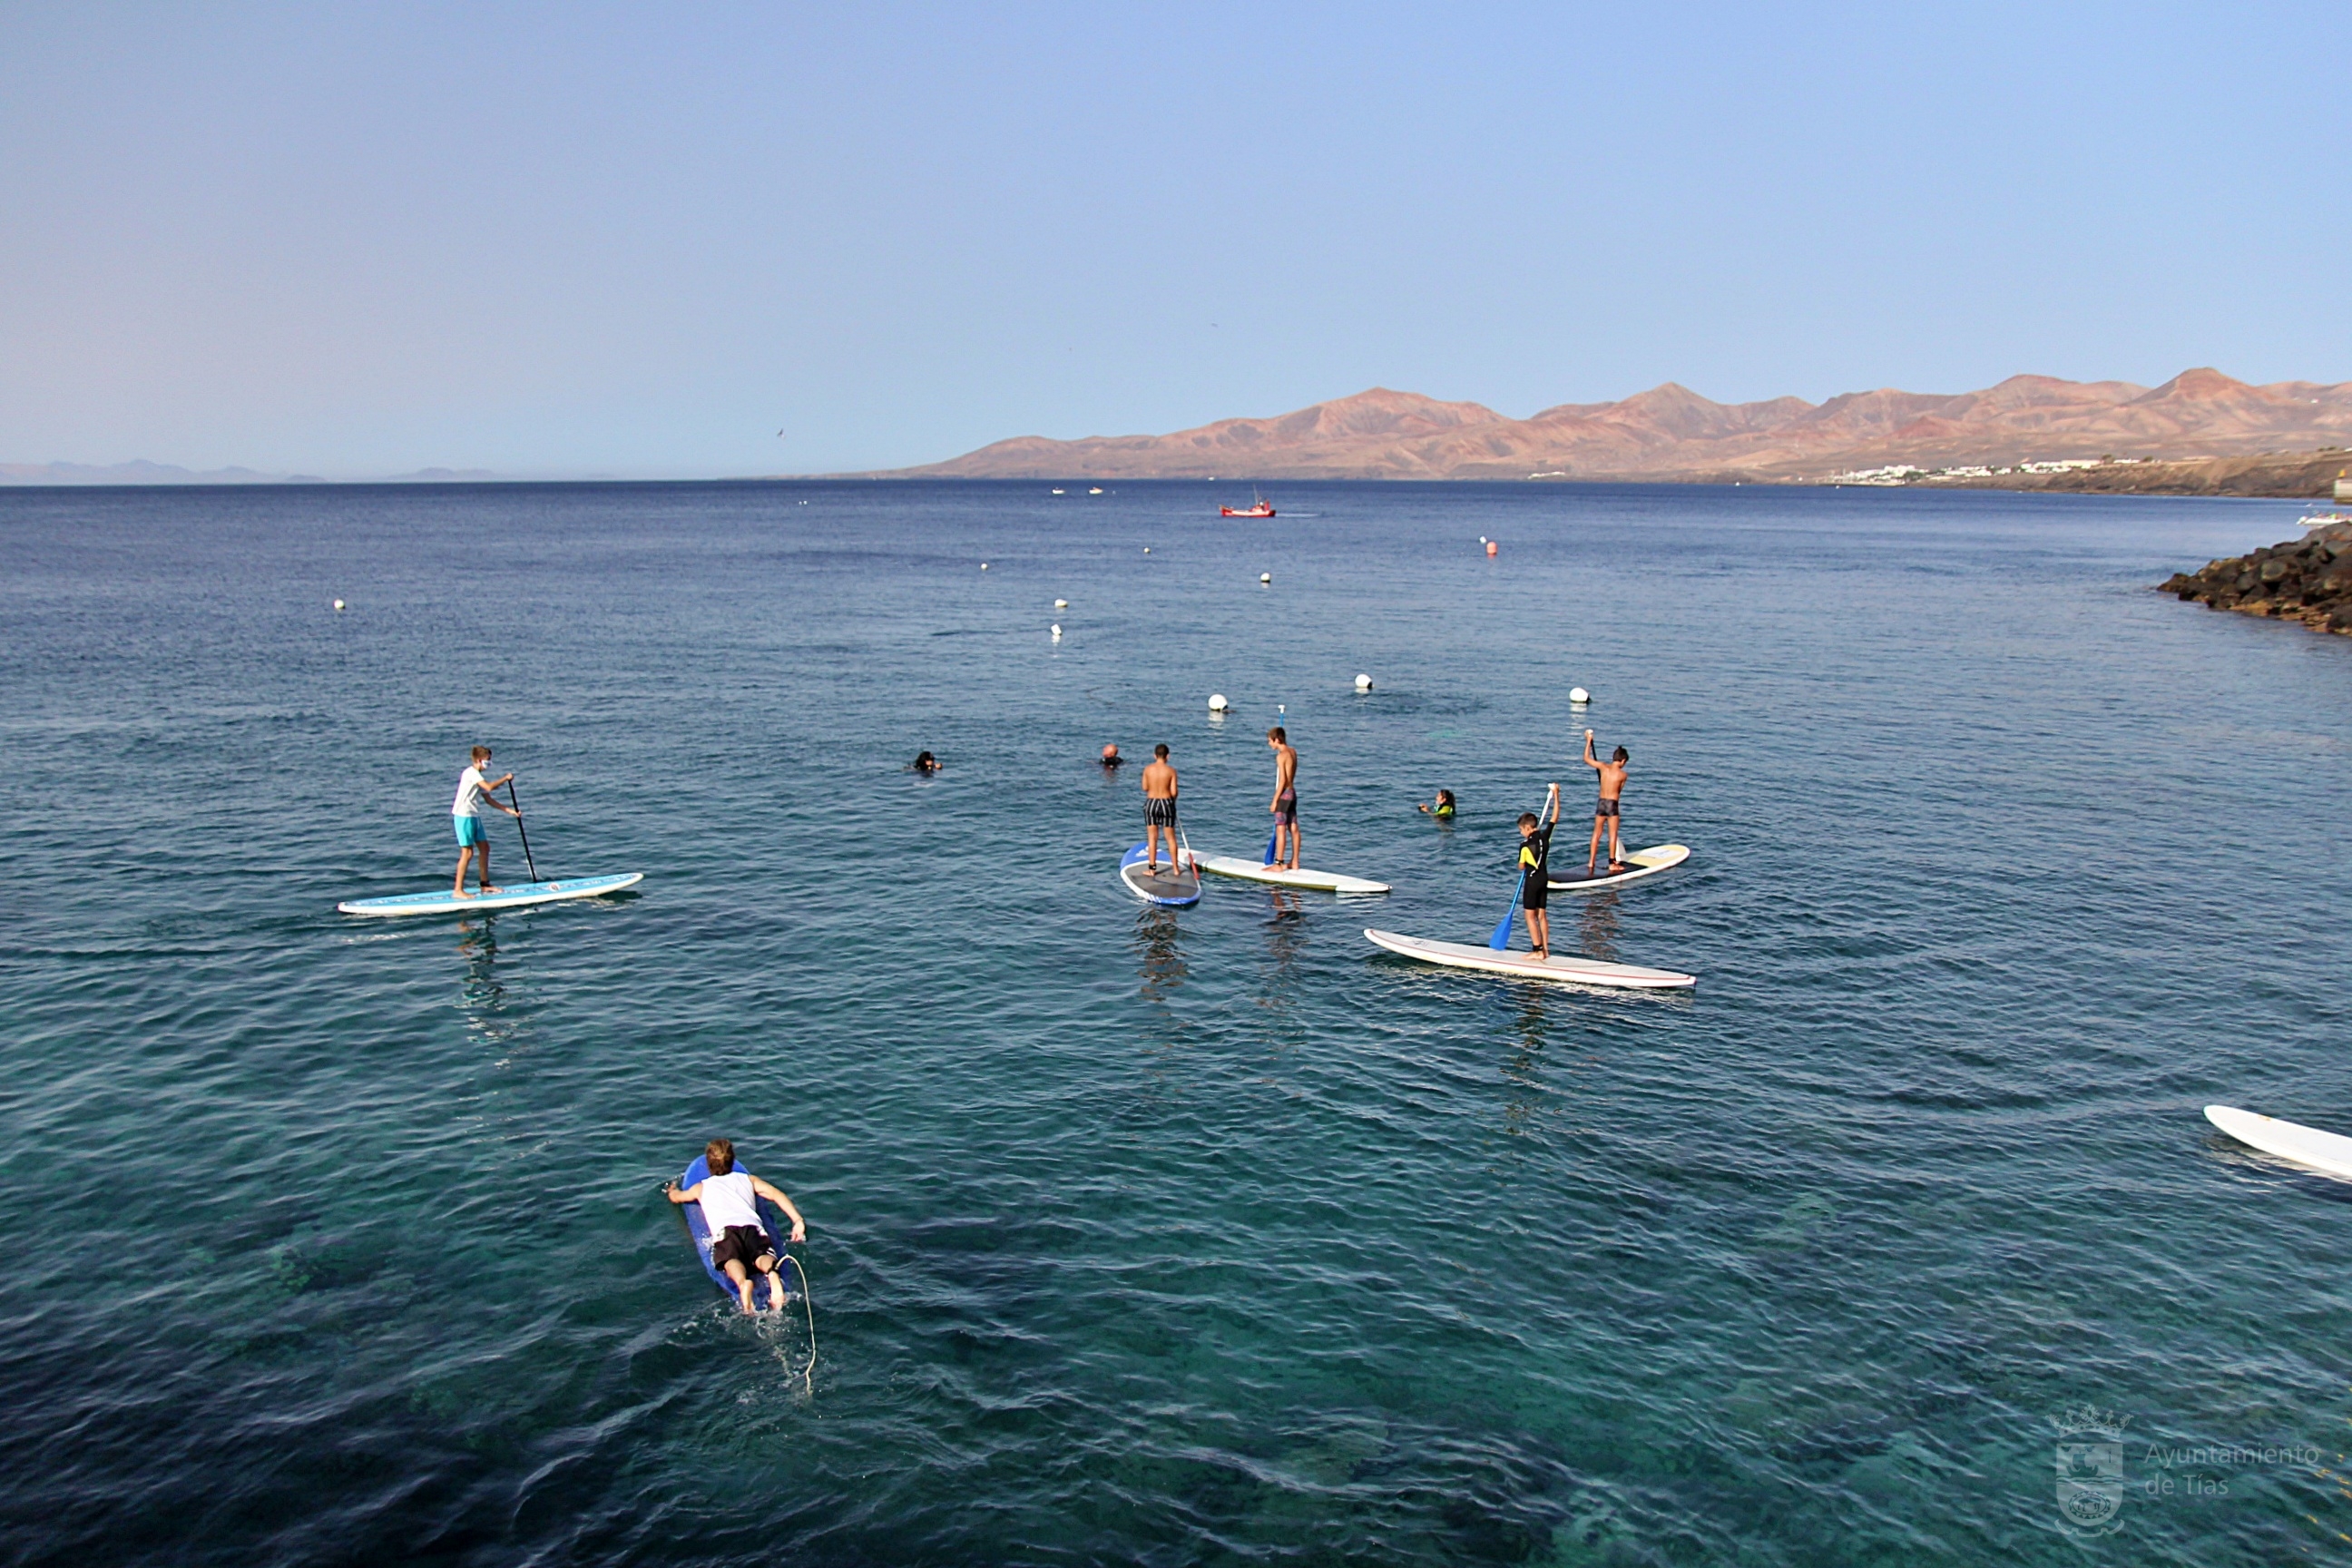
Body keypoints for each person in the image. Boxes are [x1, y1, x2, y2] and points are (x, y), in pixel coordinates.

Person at [666, 1138, 808, 1316]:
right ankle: (771, 1273)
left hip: (726, 1232)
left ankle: (742, 1283)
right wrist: (797, 1221)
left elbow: (678, 1197)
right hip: (751, 1227)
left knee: (730, 1260)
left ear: (709, 1166)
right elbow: (776, 1195)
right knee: (762, 1254)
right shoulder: (749, 1180)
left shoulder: (701, 1187)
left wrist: (672, 1190)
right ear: (732, 1161)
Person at [451, 745, 519, 898]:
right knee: (467, 853)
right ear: (478, 760)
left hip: (474, 816)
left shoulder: (478, 777)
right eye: (487, 760)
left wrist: (509, 811)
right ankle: (458, 890)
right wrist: (505, 779)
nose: (489, 763)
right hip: (463, 816)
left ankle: (485, 885)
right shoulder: (471, 773)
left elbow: (488, 799)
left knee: (485, 848)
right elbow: (489, 787)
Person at [1517, 783, 1562, 959]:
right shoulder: (1545, 836)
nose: (1521, 833)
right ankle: (1546, 950)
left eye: (1521, 830)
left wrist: (1523, 865)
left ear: (1528, 828)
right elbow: (1555, 816)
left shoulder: (1525, 845)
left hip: (1533, 880)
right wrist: (1556, 794)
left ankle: (1536, 950)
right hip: (1544, 878)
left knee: (1529, 916)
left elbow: (1522, 865)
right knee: (1542, 915)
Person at [1582, 730, 1630, 874]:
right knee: (1612, 834)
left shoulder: (1603, 767)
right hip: (1612, 805)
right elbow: (1619, 791)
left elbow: (1586, 758)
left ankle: (1591, 862)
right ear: (1622, 761)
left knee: (1596, 833)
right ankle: (1612, 863)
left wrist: (1588, 742)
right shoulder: (1623, 774)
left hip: (1601, 802)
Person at [1141, 743, 1182, 873]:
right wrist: (1172, 802)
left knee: (1152, 837)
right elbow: (1174, 792)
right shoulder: (1171, 771)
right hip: (1166, 803)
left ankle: (1152, 870)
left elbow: (1145, 788)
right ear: (1167, 756)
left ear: (1154, 755)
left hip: (1151, 803)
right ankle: (1175, 869)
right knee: (1170, 838)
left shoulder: (1148, 769)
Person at [1267, 726, 1301, 870]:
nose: (1269, 744)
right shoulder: (1293, 752)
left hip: (1284, 794)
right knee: (1293, 827)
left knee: (1280, 829)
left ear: (1277, 740)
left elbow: (1282, 780)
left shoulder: (1281, 756)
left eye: (1270, 741)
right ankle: (1294, 862)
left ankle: (1279, 863)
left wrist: (1275, 800)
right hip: (1292, 793)